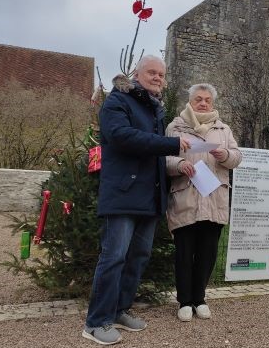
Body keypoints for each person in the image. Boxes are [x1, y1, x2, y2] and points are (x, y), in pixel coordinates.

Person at [83, 55, 190, 345]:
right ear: (137, 74)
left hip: (149, 195)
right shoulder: (118, 101)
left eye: (161, 74)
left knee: (137, 257)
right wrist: (172, 144)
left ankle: (119, 310)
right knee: (114, 257)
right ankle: (96, 322)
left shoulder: (155, 109)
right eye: (151, 73)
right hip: (122, 193)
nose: (157, 78)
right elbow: (121, 137)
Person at [165, 83, 241, 322]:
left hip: (214, 197)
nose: (203, 103)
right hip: (186, 196)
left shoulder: (223, 128)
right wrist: (178, 165)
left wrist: (225, 155)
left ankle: (200, 298)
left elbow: (237, 157)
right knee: (184, 253)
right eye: (198, 99)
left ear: (213, 102)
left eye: (207, 99)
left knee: (207, 253)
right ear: (190, 100)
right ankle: (184, 301)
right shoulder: (175, 127)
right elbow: (163, 158)